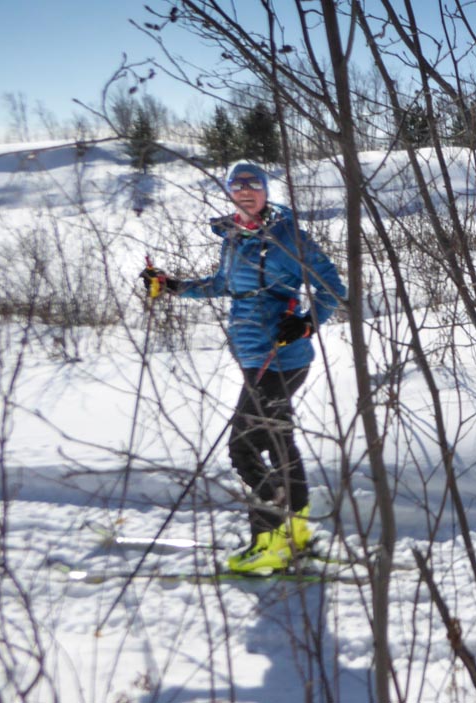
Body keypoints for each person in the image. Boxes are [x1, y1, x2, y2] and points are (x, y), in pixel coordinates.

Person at [140, 161, 346, 574]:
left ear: (266, 192)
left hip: (282, 359)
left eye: (254, 185)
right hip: (254, 357)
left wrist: (306, 323)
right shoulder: (234, 238)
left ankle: (269, 539)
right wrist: (174, 285)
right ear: (230, 192)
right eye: (238, 186)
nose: (246, 191)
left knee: (244, 447)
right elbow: (223, 284)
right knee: (280, 441)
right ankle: (298, 531)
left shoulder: (288, 236)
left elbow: (332, 288)